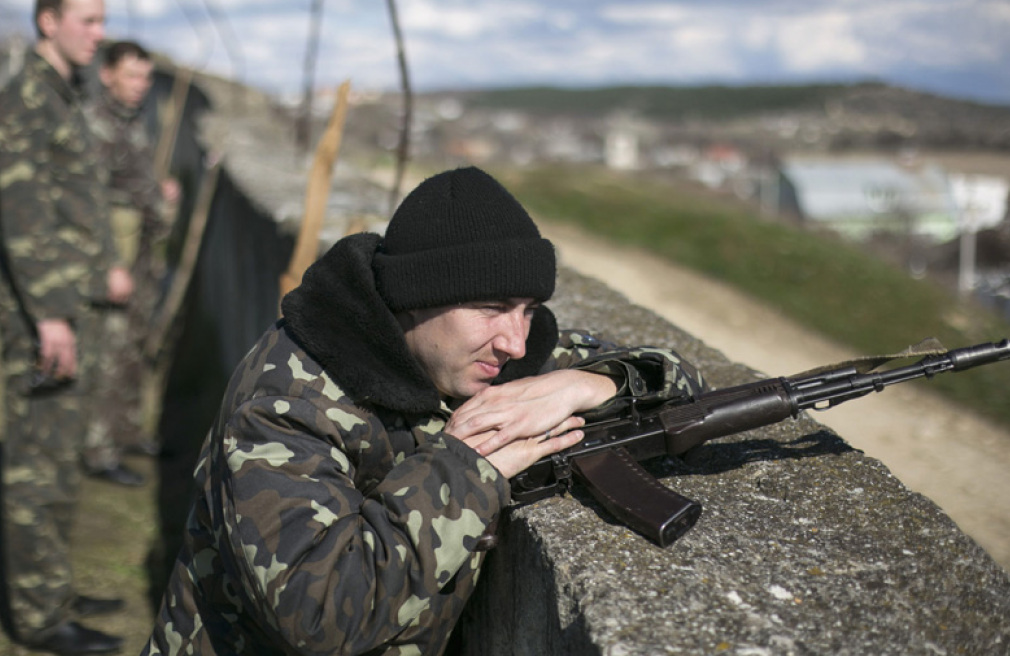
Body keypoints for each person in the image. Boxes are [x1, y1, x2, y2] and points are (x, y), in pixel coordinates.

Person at [142, 166, 705, 655]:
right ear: (415, 300)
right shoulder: (285, 402)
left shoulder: (487, 352)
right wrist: (461, 467)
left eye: (529, 310)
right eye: (491, 308)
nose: (515, 340)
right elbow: (318, 618)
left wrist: (583, 384)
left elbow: (681, 378)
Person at [0, 0, 131, 652]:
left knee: (62, 460)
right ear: (48, 21)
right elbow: (24, 221)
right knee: (39, 467)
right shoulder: (24, 102)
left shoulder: (60, 96)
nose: (99, 35)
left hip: (73, 308)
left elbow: (75, 208)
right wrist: (49, 319)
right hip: (44, 319)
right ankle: (41, 620)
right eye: (88, 21)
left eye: (102, 21)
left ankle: (54, 588)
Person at [80, 39, 178, 487]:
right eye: (132, 75)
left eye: (146, 76)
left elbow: (133, 182)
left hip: (138, 257)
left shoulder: (131, 121)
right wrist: (107, 264)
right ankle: (99, 449)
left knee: (135, 348)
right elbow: (90, 203)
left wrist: (161, 195)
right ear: (107, 75)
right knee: (109, 353)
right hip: (113, 259)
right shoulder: (96, 125)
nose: (141, 85)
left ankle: (127, 431)